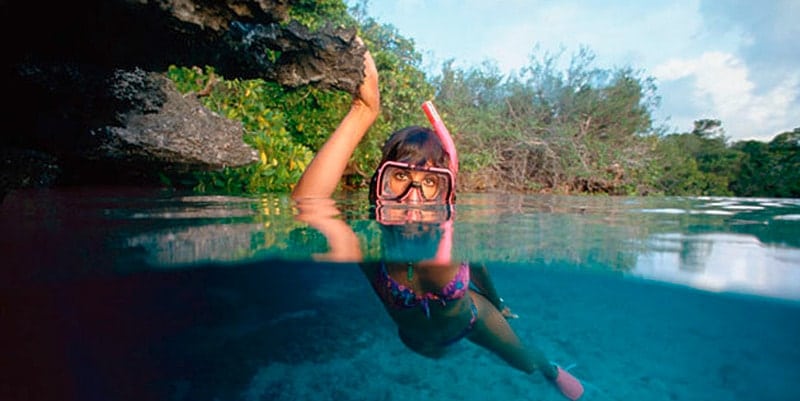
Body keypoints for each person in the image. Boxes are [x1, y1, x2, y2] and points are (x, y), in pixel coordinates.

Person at [291, 42, 585, 401]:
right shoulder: (370, 249)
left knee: (525, 362)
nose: (413, 197)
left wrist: (498, 302)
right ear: (378, 186)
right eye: (400, 177)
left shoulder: (453, 237)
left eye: (430, 182)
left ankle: (551, 370)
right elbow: (308, 209)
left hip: (475, 321)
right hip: (415, 338)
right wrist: (363, 111)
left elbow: (478, 268)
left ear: (445, 194)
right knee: (429, 352)